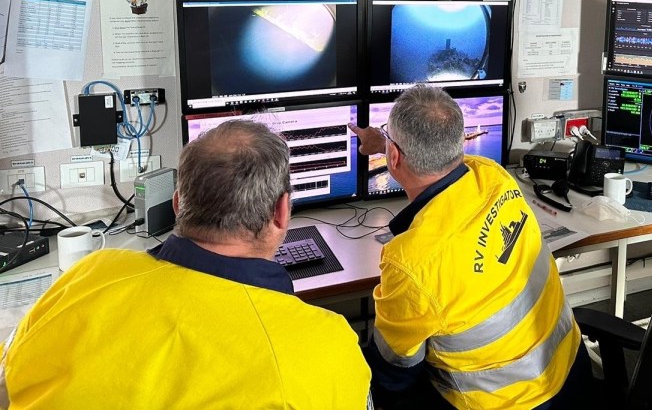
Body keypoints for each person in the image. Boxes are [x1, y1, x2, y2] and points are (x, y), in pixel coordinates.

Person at [0, 120, 372, 409]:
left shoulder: (88, 273)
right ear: (282, 211)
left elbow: (10, 369)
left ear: (178, 203)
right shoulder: (326, 346)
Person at [349, 85, 590, 410]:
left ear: (393, 157)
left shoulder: (412, 261)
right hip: (571, 371)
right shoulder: (493, 176)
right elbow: (444, 156)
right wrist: (386, 142)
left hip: (503, 403)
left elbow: (394, 373)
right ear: (460, 142)